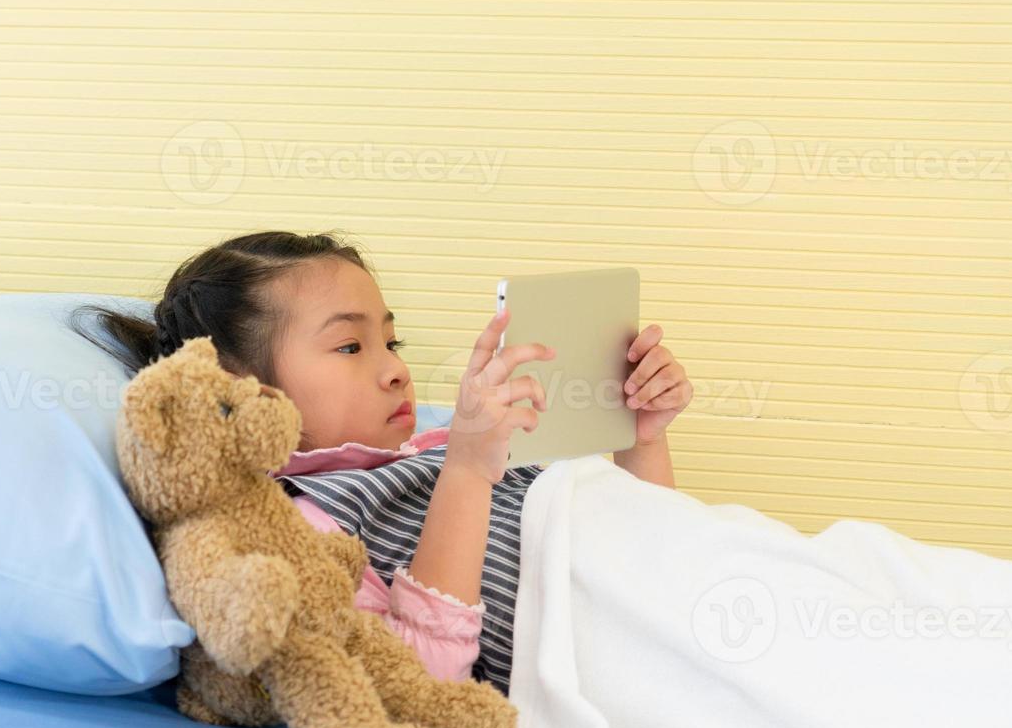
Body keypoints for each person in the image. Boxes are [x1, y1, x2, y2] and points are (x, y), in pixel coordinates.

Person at [74, 230, 693, 694]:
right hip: (633, 664)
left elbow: (653, 547)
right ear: (238, 388)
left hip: (681, 602)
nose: (395, 368)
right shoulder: (306, 527)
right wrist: (469, 473)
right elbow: (419, 684)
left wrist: (642, 438)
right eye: (350, 345)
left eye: (390, 341)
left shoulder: (441, 445)